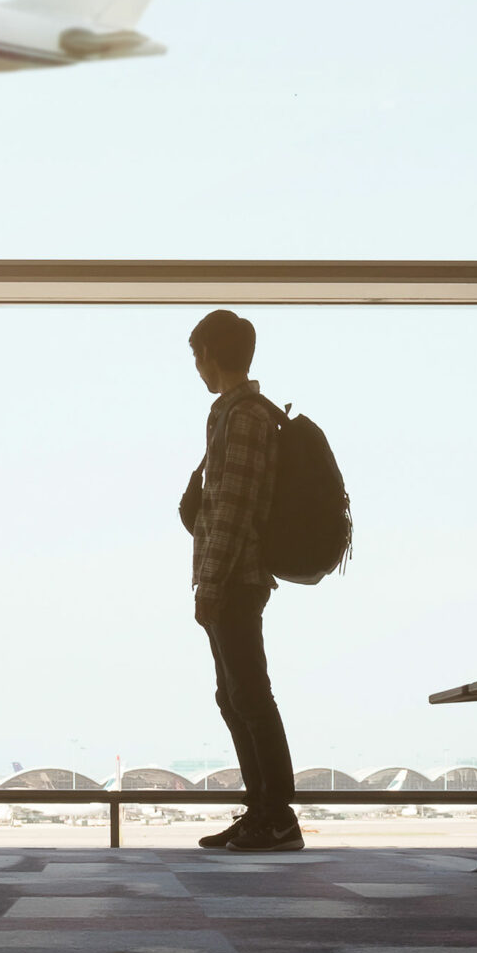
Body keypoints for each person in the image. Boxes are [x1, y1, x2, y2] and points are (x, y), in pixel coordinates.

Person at [179, 308, 300, 852]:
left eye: (196, 357)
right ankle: (260, 810)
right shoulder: (230, 413)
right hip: (228, 575)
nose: (196, 369)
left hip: (236, 577)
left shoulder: (245, 416)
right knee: (234, 696)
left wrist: (211, 580)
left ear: (210, 354)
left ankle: (277, 816)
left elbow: (235, 504)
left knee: (250, 695)